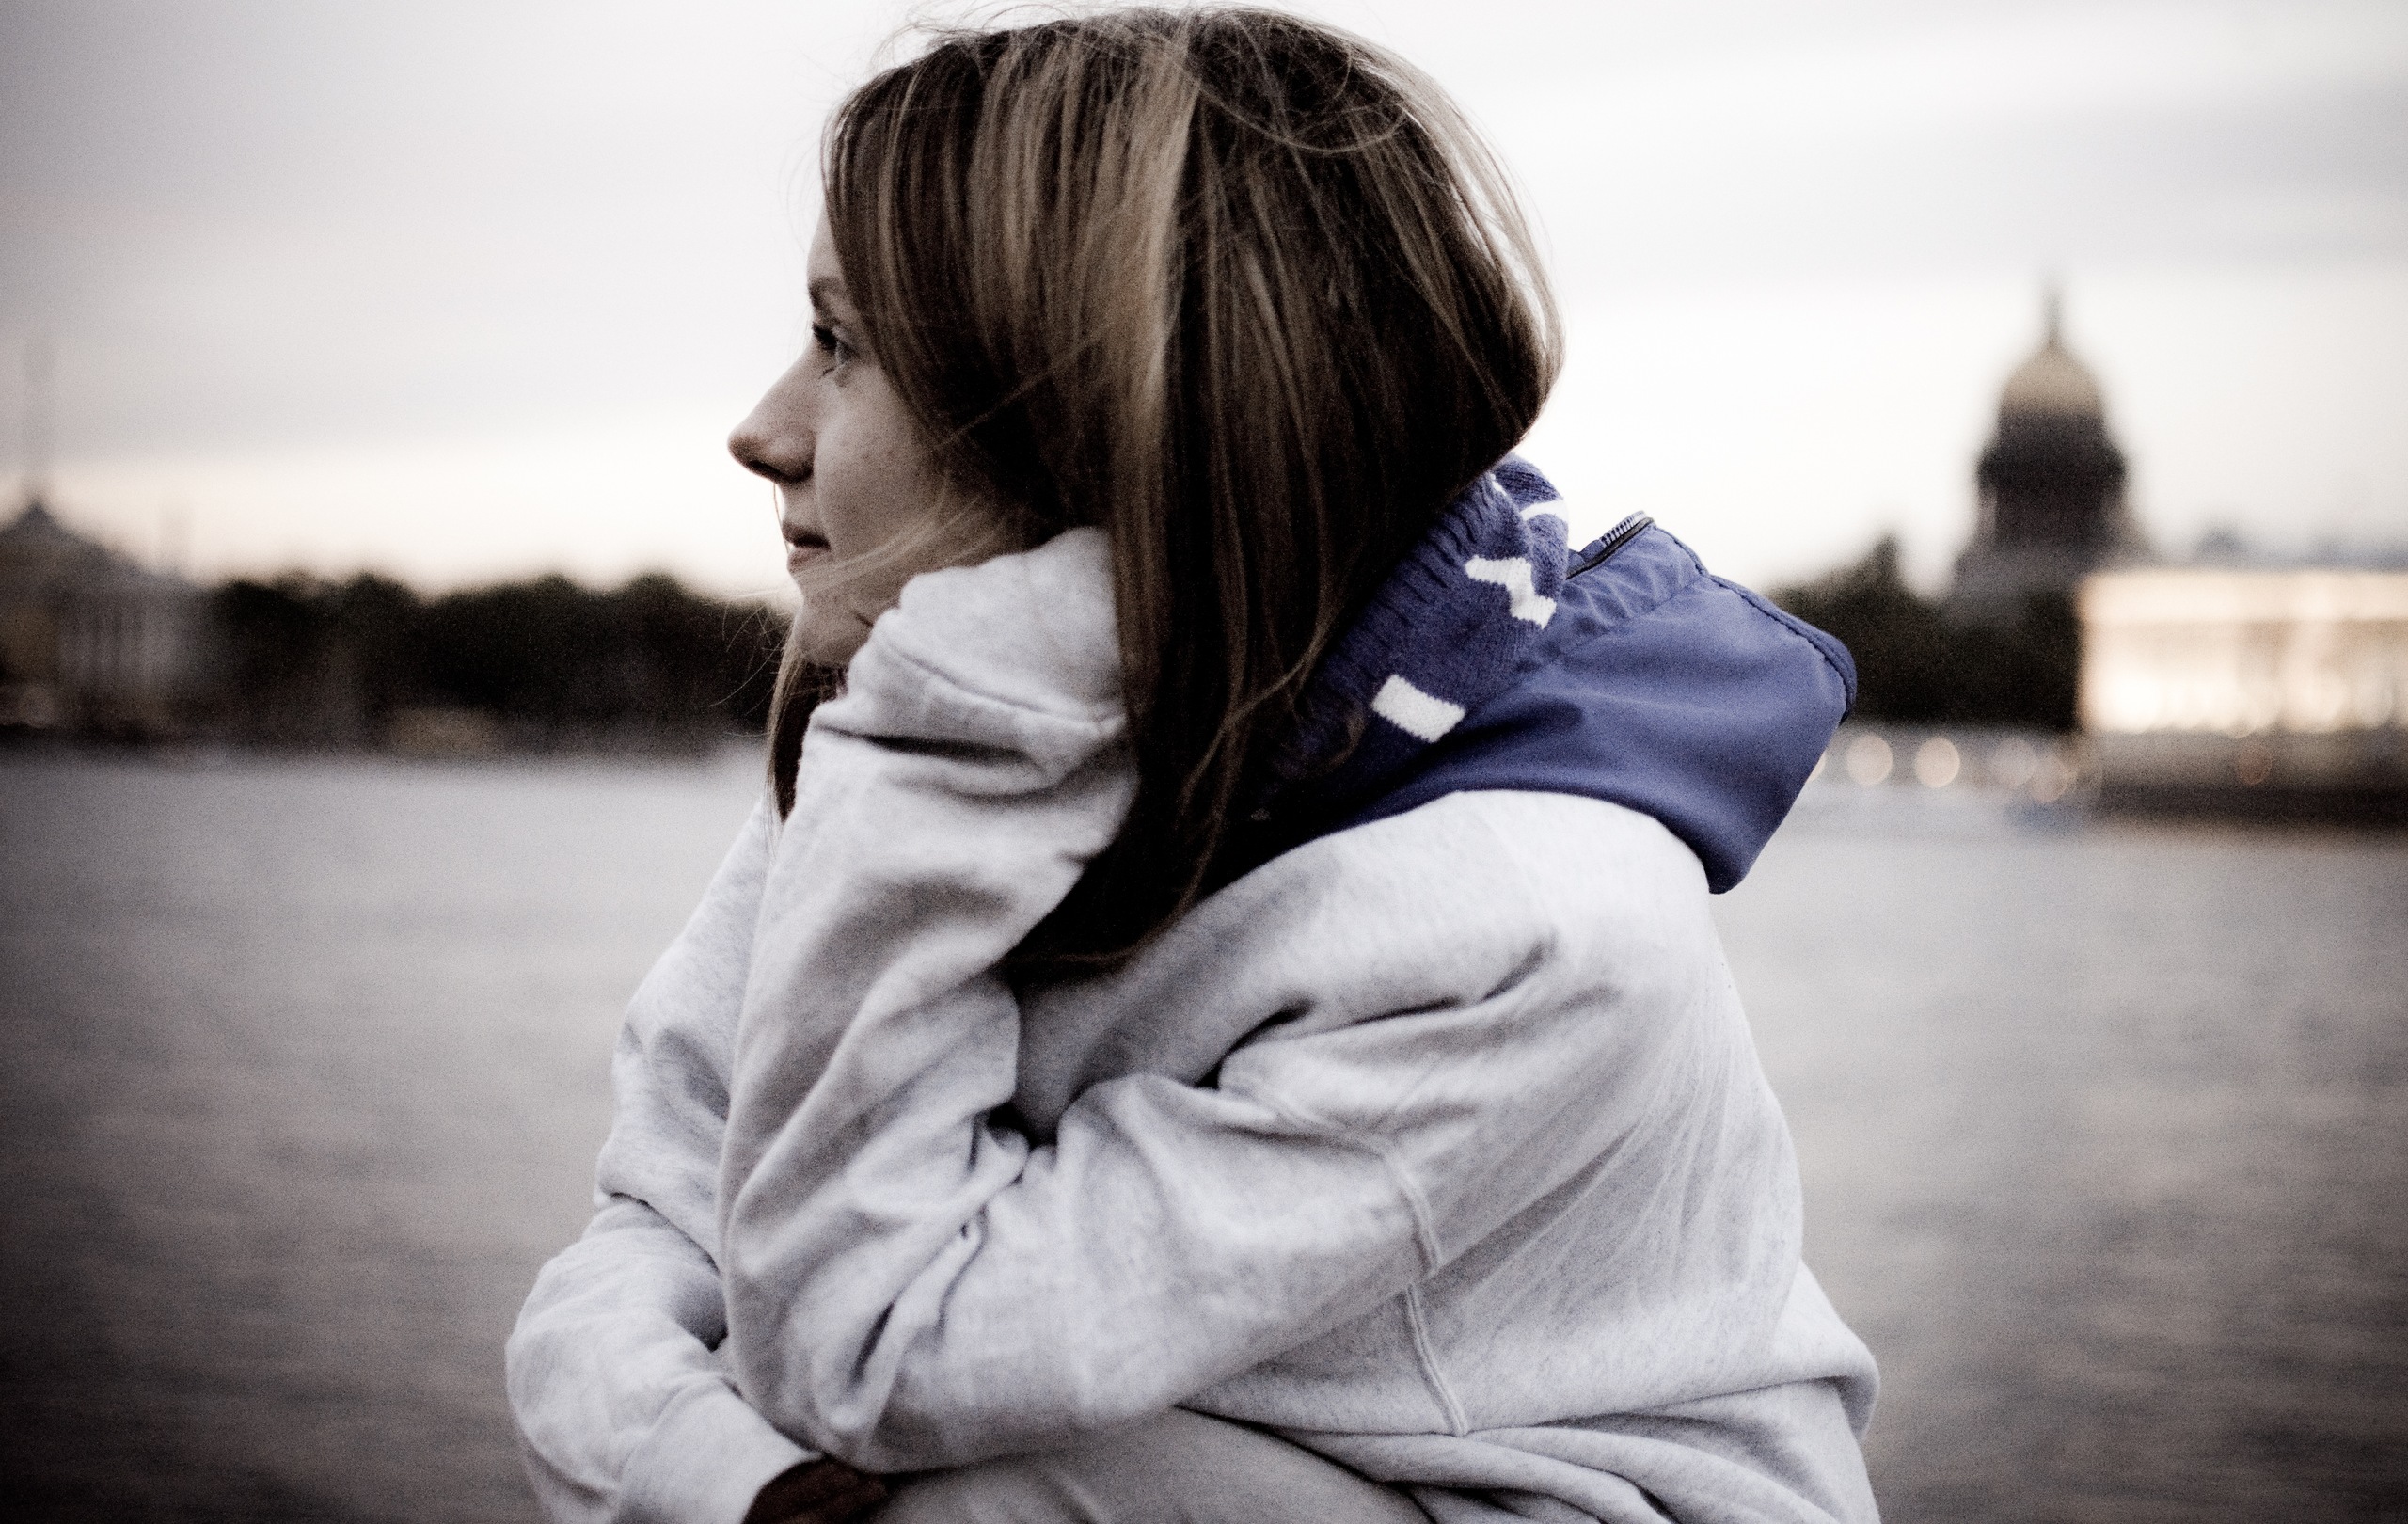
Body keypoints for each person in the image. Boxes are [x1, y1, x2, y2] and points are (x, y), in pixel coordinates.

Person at [506, 9, 1879, 1523]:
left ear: (1090, 420)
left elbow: (868, 1352)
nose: (762, 431)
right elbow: (660, 1226)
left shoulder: (1523, 926)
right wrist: (723, 1483)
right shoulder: (935, 742)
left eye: (844, 349)